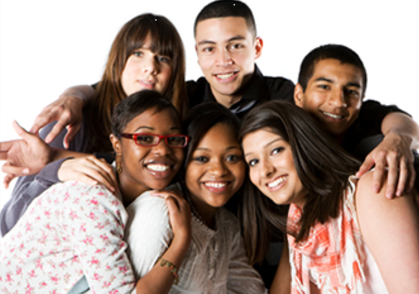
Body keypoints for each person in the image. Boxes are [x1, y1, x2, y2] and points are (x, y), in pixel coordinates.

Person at [0, 12, 187, 235]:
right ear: (119, 60)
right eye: (138, 53)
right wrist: (54, 170)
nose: (150, 67)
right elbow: (10, 224)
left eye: (163, 58)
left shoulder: (177, 130)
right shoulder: (69, 124)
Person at [0, 91, 192, 293]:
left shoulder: (128, 191)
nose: (163, 150)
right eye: (144, 138)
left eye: (174, 139)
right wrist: (181, 240)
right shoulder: (94, 199)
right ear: (116, 144)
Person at [239, 100, 419, 293]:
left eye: (276, 151)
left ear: (304, 143)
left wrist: (400, 134)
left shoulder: (372, 190)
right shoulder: (299, 223)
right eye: (253, 161)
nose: (264, 170)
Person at [126, 101, 266, 293]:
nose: (218, 171)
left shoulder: (227, 224)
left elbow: (251, 289)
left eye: (232, 158)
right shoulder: (160, 210)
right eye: (201, 159)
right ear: (183, 163)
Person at [293, 44, 419, 199]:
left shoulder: (372, 148)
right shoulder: (281, 135)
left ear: (361, 100)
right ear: (299, 95)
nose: (339, 102)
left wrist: (398, 138)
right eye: (324, 86)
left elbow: (402, 123)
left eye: (352, 92)